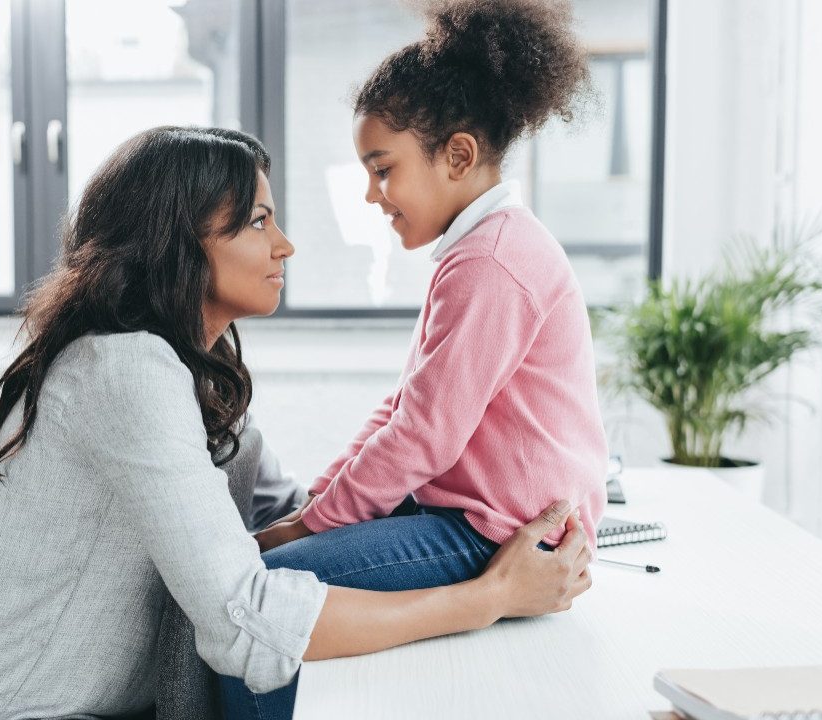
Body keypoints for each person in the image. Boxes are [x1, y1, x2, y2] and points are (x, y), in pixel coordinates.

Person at [0, 125, 591, 720]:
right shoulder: (124, 373)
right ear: (179, 244)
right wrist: (488, 597)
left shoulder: (191, 384)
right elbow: (247, 617)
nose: (285, 244)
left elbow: (294, 515)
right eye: (257, 222)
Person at [231, 0, 608, 715]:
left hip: (494, 533)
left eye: (383, 169)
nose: (373, 195)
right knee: (272, 561)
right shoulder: (480, 249)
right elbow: (407, 405)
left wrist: (310, 525)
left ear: (457, 156)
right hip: (467, 512)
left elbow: (422, 435)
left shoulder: (494, 260)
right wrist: (324, 497)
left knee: (263, 600)